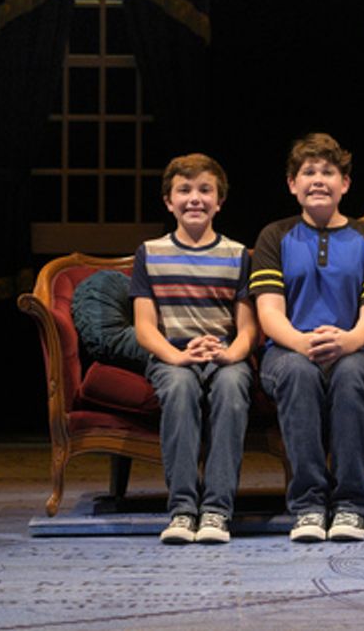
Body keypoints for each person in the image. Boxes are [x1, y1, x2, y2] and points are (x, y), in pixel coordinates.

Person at [249, 133, 364, 543]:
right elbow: (269, 313)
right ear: (292, 184)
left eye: (328, 172)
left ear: (345, 183)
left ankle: (350, 504)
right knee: (298, 374)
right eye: (308, 172)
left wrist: (347, 341)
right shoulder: (275, 236)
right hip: (289, 350)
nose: (318, 180)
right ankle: (309, 504)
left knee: (352, 375)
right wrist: (301, 343)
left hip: (351, 347)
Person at [131, 153, 257, 544]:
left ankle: (217, 511)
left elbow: (247, 327)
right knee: (181, 387)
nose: (195, 199)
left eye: (205, 190)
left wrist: (230, 354)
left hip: (222, 354)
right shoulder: (149, 253)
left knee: (233, 388)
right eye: (184, 190)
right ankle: (184, 509)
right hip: (173, 354)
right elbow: (144, 327)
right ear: (169, 201)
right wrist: (178, 356)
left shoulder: (237, 255)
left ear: (219, 201)